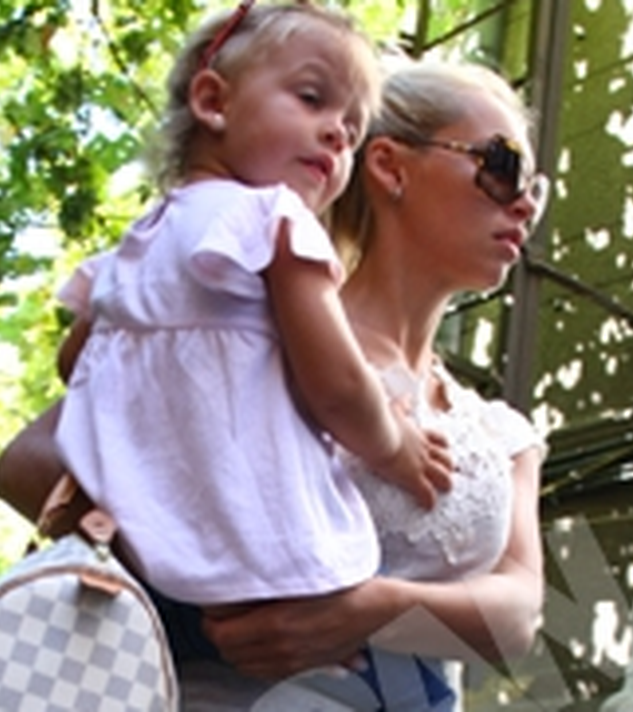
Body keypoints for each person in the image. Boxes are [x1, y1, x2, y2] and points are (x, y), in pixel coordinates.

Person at [0, 58, 549, 710]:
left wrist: (368, 609)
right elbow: (27, 465)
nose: (524, 204)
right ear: (390, 166)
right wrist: (210, 586)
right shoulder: (248, 336)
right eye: (502, 167)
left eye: (536, 190)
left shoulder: (500, 432)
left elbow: (518, 619)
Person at [50, 0, 453, 612]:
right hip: (262, 554)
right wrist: (396, 446)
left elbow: (74, 362)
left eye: (352, 129)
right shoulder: (274, 218)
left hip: (134, 543)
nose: (337, 133)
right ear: (213, 101)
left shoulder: (134, 246)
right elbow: (338, 386)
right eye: (312, 99)